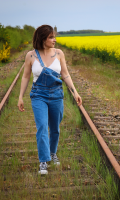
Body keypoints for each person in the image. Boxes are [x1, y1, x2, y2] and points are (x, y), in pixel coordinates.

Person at [17, 25, 82, 175]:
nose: (55, 40)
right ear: (42, 38)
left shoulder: (59, 53)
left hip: (56, 95)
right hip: (38, 95)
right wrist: (20, 96)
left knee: (55, 128)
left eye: (54, 36)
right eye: (51, 37)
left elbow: (65, 74)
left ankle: (53, 153)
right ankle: (43, 161)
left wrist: (75, 92)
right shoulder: (31, 55)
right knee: (42, 128)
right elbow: (26, 76)